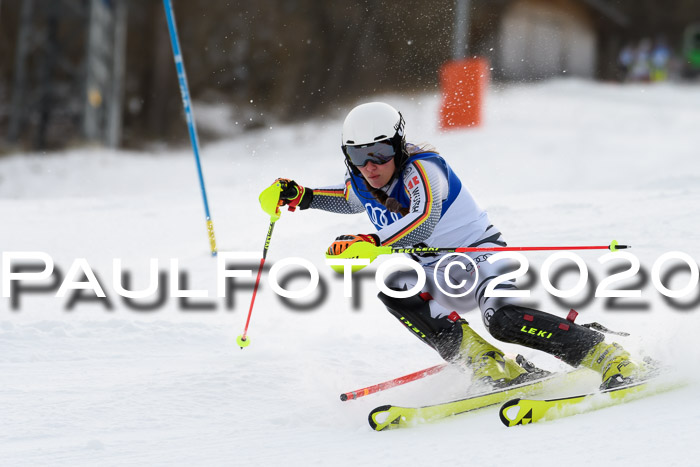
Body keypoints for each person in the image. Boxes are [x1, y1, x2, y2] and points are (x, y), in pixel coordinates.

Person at [263, 102, 647, 389]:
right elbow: (347, 199)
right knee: (394, 287)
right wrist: (303, 196)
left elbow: (423, 220)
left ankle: (606, 355)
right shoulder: (366, 179)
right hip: (435, 270)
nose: (370, 165)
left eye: (379, 153)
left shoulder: (425, 170)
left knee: (505, 321)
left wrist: (372, 241)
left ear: (398, 146)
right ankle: (488, 364)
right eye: (357, 155)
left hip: (481, 259)